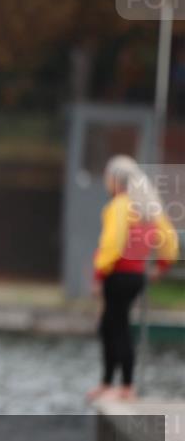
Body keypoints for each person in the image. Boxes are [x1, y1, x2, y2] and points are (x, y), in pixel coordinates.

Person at [87, 155, 179, 402]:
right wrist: (161, 265)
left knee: (114, 327)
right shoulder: (148, 207)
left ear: (116, 180)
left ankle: (121, 385)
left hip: (117, 275)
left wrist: (98, 274)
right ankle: (115, 383)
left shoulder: (120, 205)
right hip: (136, 275)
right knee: (115, 325)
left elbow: (112, 244)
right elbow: (169, 240)